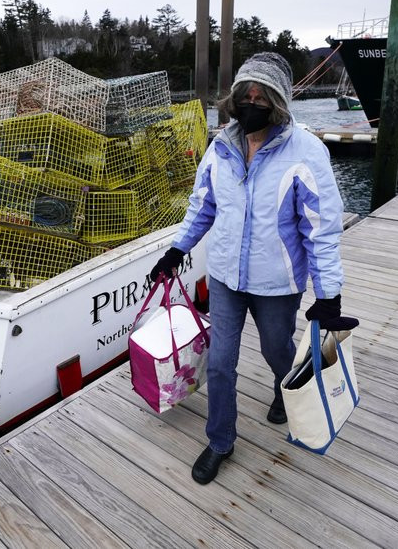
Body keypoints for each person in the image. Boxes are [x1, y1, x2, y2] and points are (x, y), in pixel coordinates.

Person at [150, 53, 358, 485]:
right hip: (226, 277)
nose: (251, 101)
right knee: (222, 362)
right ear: (234, 98)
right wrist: (176, 250)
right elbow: (201, 207)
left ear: (279, 102)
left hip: (277, 283)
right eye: (245, 93)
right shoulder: (221, 146)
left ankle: (287, 389)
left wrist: (329, 294)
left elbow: (321, 229)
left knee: (276, 349)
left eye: (261, 95)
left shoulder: (306, 151)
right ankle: (220, 441)